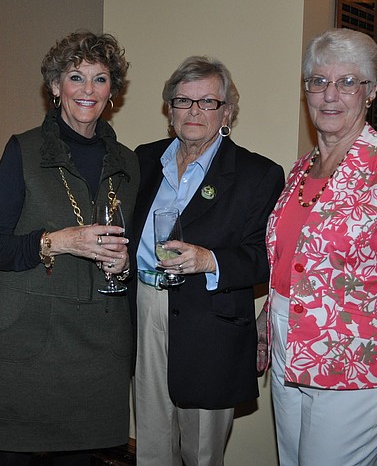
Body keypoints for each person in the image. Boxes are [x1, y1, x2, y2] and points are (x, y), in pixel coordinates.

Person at [256, 28, 377, 466]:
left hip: (356, 367)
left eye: (347, 82)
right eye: (318, 81)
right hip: (290, 352)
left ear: (371, 92)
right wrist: (269, 319)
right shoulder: (301, 169)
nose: (330, 95)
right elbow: (296, 261)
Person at [0, 30, 139, 465]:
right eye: (76, 77)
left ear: (112, 93)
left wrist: (124, 264)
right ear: (54, 86)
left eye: (100, 79)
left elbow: (135, 255)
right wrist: (58, 241)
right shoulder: (24, 150)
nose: (88, 90)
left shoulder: (129, 164)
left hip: (98, 348)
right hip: (29, 341)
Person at [128, 56, 284, 465]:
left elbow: (266, 257)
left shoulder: (257, 174)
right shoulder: (143, 160)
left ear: (226, 112)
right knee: (151, 445)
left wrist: (209, 260)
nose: (194, 111)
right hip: (145, 309)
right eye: (183, 101)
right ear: (170, 110)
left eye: (207, 102)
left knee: (200, 454)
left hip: (209, 326)